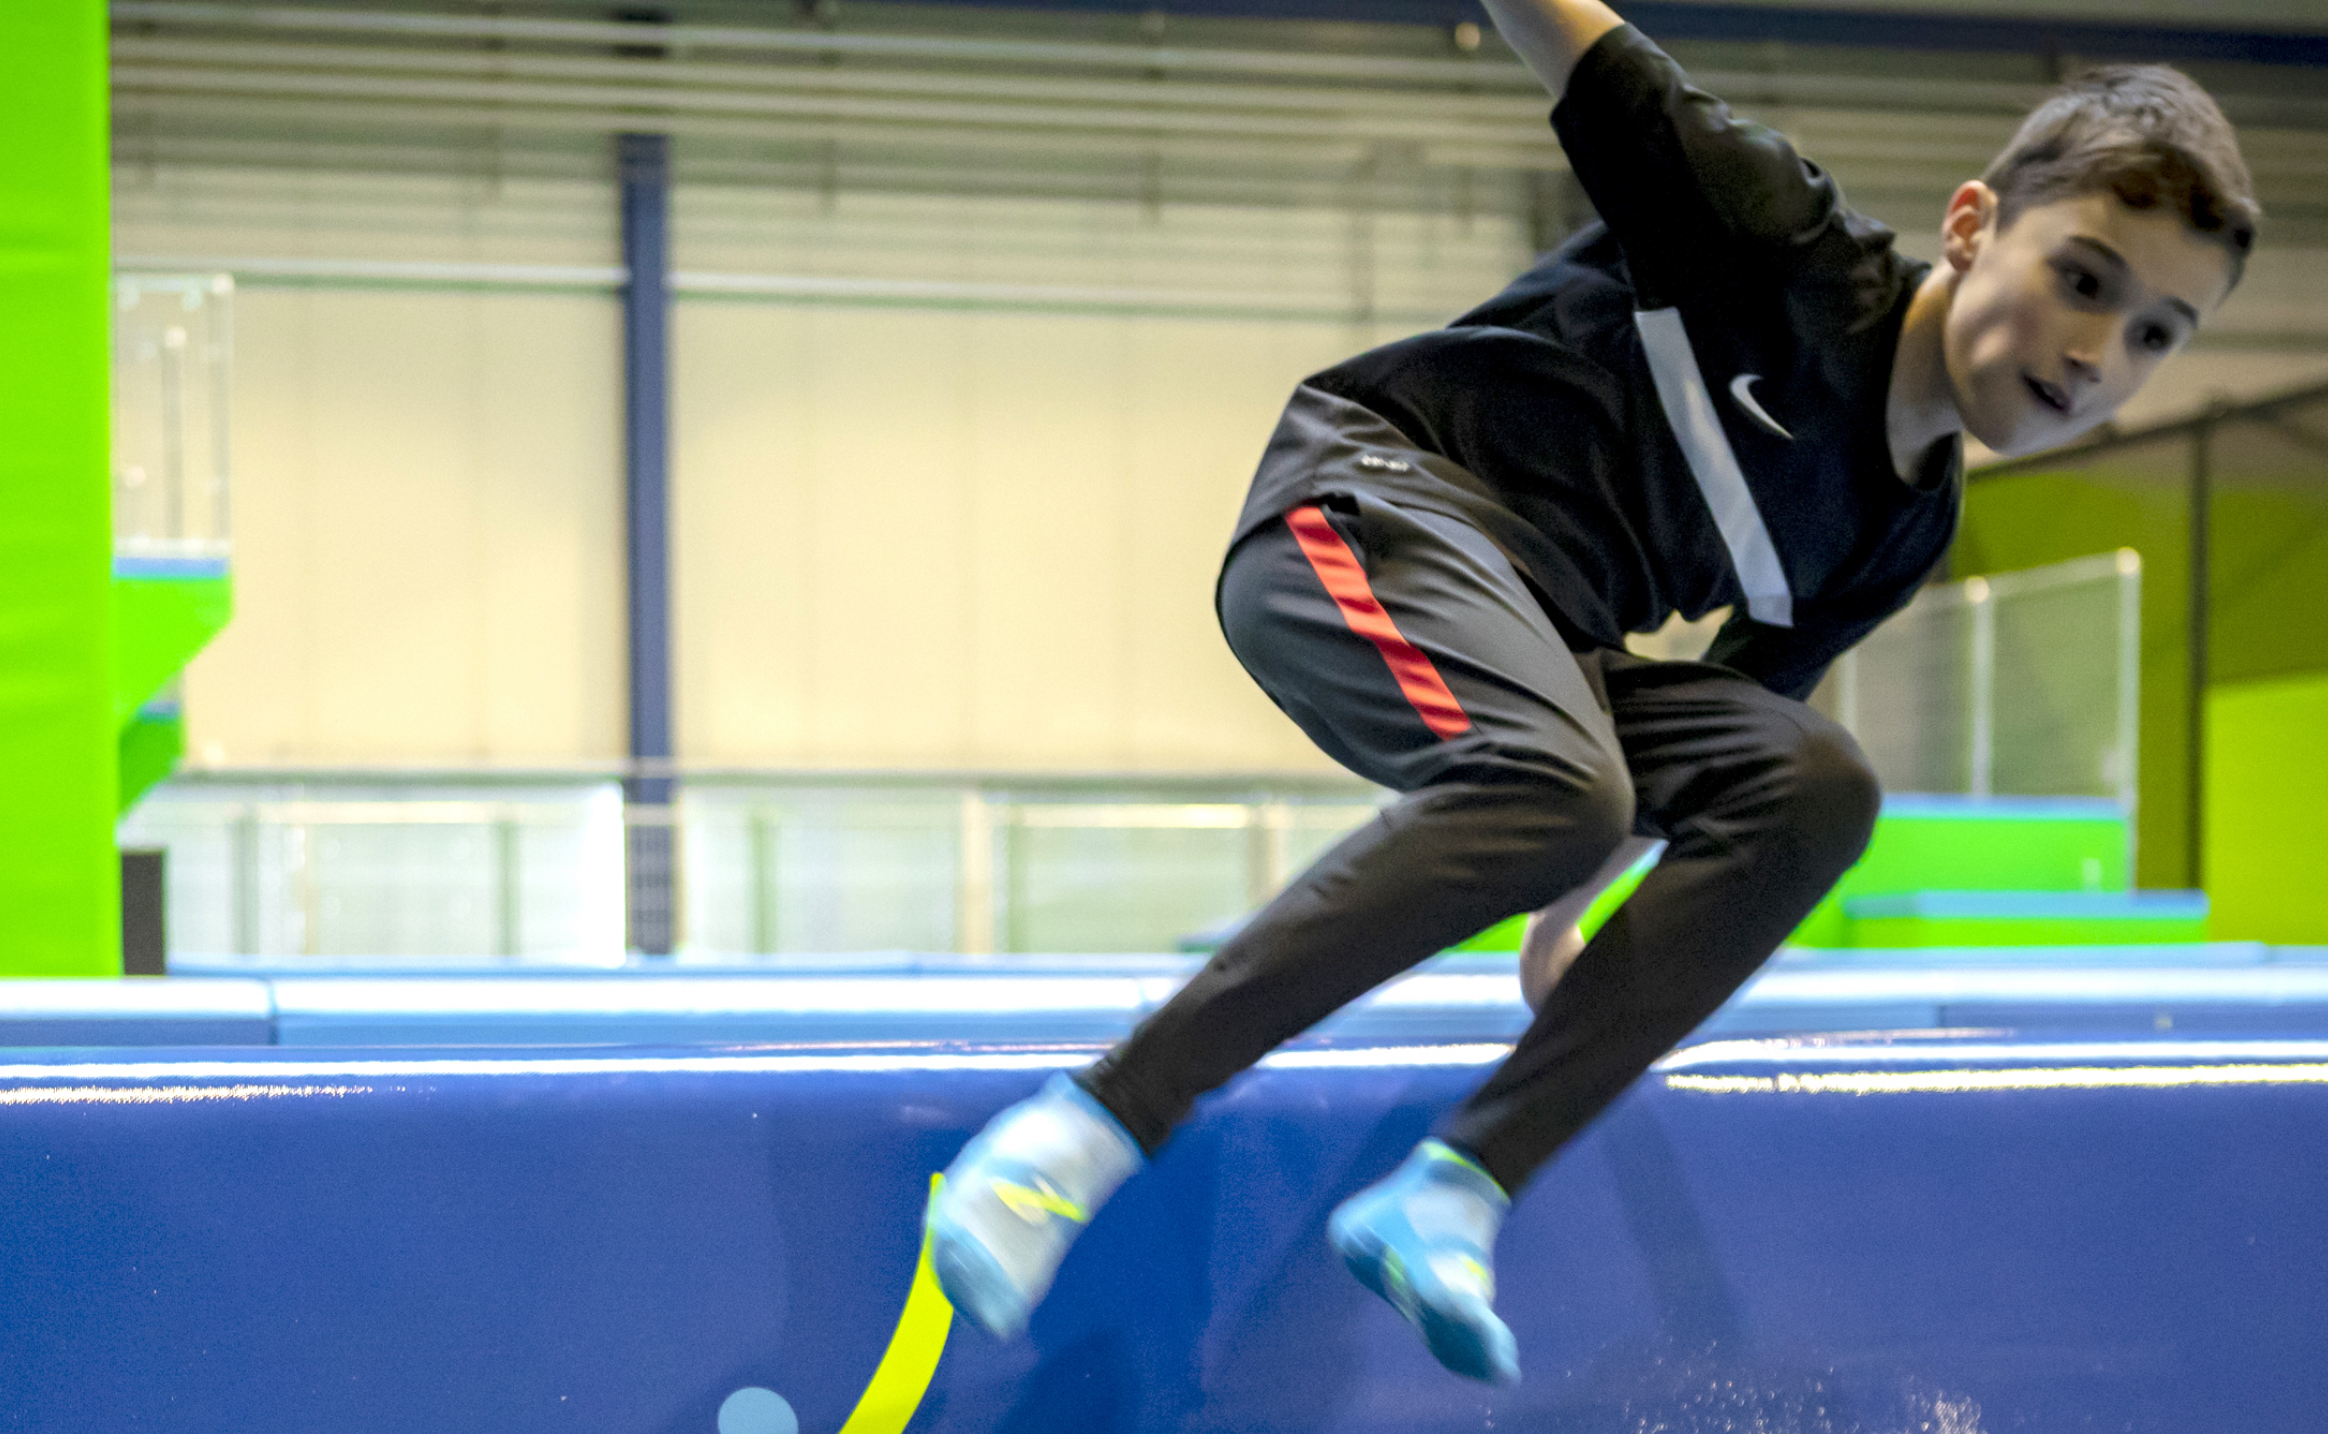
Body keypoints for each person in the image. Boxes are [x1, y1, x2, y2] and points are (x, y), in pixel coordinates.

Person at [924, 0, 2259, 1386]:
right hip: (1362, 505)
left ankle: (1454, 1191)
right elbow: (1566, 34)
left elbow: (1735, 749)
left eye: (2158, 332)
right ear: (1976, 224)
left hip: (1546, 647)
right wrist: (1566, 824)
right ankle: (1080, 1133)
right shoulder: (1773, 239)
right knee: (1564, 784)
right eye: (2086, 280)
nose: (2100, 354)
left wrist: (1573, 919)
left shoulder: (1899, 525)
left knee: (1821, 782)